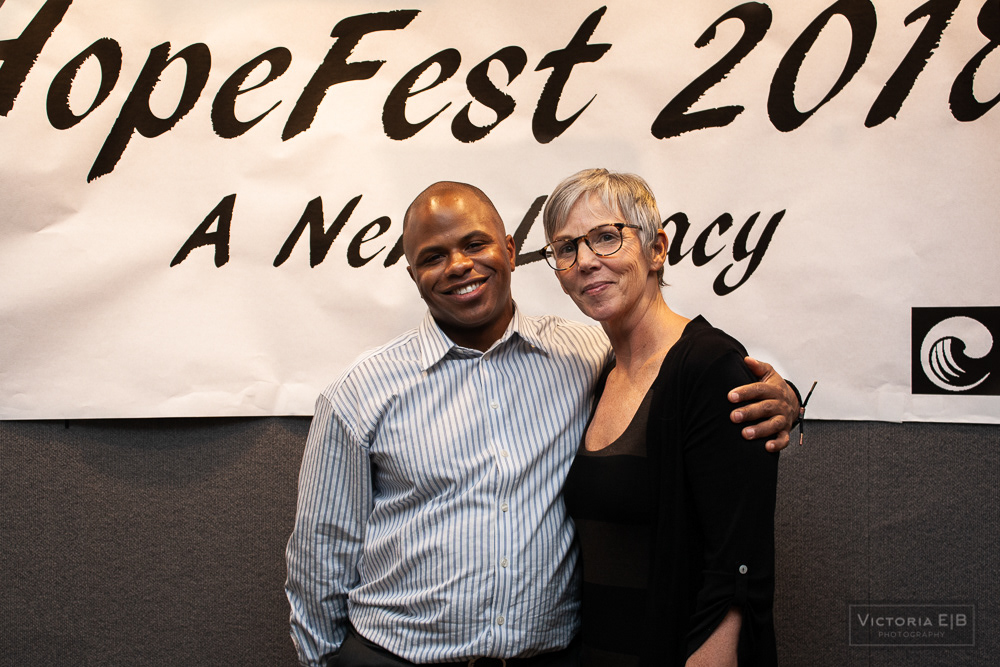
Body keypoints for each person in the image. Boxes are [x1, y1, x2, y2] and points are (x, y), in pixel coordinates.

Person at [285, 181, 798, 666]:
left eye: (475, 244)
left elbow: (685, 373)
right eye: (433, 257)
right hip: (398, 658)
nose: (458, 266)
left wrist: (787, 398)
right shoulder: (360, 391)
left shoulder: (586, 356)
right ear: (412, 274)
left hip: (555, 658)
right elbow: (321, 553)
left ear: (510, 251)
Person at [541, 169, 781, 666]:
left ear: (656, 249)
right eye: (566, 248)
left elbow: (737, 562)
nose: (586, 261)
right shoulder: (598, 373)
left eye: (606, 237)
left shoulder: (709, 365)